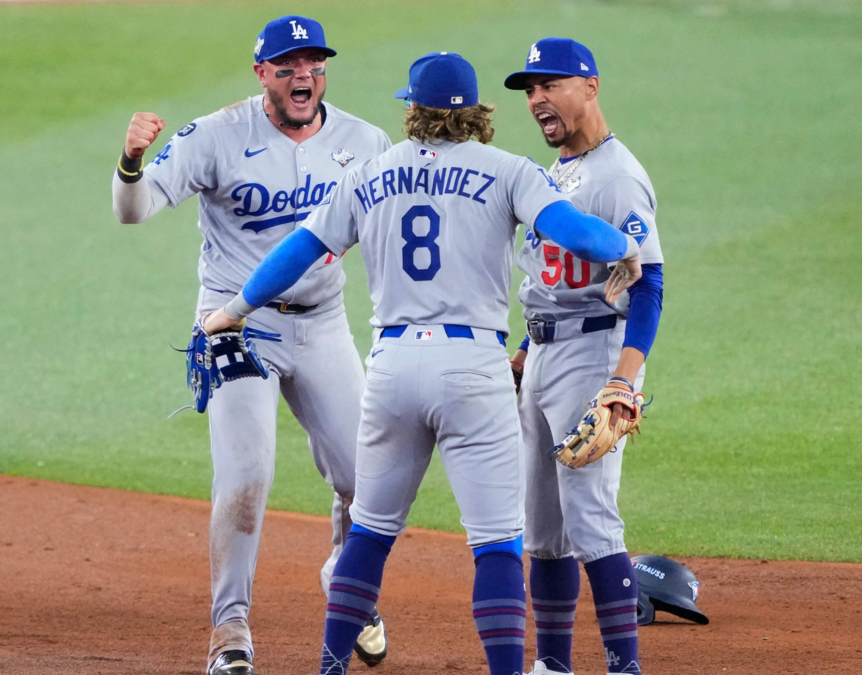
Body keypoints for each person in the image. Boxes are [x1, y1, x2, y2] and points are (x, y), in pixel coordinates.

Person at [199, 51, 642, 675]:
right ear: (476, 111)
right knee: (496, 546)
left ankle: (329, 667)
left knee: (370, 535)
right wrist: (627, 248)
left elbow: (302, 247)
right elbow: (575, 230)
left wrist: (236, 306)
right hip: (473, 367)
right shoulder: (510, 169)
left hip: (393, 366)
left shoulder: (370, 173)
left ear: (413, 109)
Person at [110, 15, 391, 675]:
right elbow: (135, 209)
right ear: (261, 72)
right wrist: (129, 162)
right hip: (235, 327)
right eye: (289, 65)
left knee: (367, 480)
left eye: (315, 63)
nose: (304, 76)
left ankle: (345, 577)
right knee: (247, 474)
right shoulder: (217, 135)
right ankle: (229, 630)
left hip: (322, 322)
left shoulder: (364, 140)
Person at [503, 38, 665, 675]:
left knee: (590, 518)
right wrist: (524, 348)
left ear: (590, 87)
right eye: (530, 89)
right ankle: (552, 665)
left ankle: (624, 667)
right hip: (544, 354)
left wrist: (622, 381)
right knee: (542, 529)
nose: (537, 99)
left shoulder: (617, 175)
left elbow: (648, 285)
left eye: (551, 84)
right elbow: (549, 276)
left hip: (596, 352)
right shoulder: (554, 173)